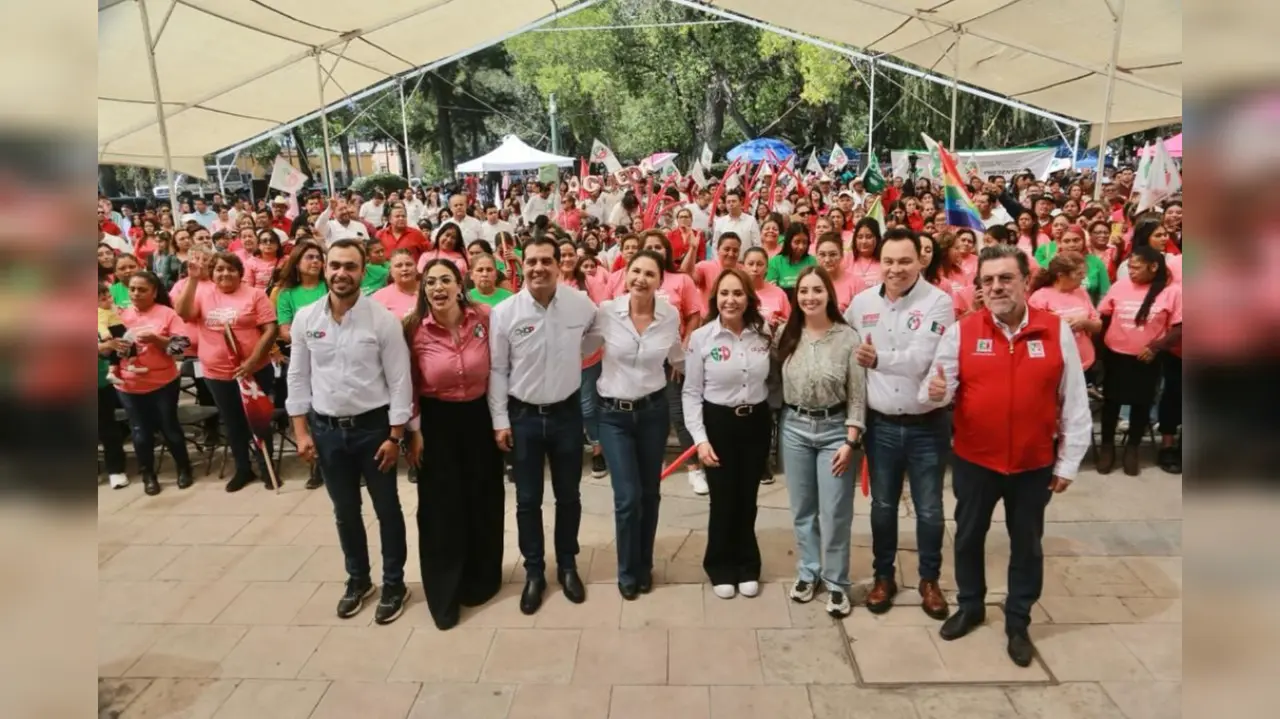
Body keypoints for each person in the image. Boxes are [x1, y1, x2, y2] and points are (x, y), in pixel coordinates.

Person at [922, 243, 1091, 668]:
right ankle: (971, 605)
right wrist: (935, 392)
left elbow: (1074, 403)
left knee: (1027, 545)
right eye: (988, 280)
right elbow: (936, 385)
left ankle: (1018, 620)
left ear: (1025, 282)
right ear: (979, 286)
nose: (996, 287)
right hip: (976, 460)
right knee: (967, 536)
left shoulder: (1056, 331)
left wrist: (1068, 461)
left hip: (1034, 464)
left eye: (1005, 278)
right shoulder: (962, 330)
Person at [286, 239, 413, 624]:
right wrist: (302, 432)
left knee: (387, 509)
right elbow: (297, 376)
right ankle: (359, 580)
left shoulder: (382, 320)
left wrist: (395, 436)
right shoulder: (306, 318)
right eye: (335, 266)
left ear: (364, 271)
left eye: (351, 267)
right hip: (326, 430)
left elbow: (400, 381)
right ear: (325, 269)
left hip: (374, 430)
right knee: (345, 512)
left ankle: (394, 584)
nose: (342, 273)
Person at [843, 227, 954, 620]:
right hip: (882, 425)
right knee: (883, 506)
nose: (896, 269)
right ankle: (883, 576)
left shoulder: (939, 302)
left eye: (905, 261)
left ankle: (929, 579)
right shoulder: (859, 303)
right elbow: (844, 346)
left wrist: (877, 359)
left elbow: (921, 358)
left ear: (921, 261)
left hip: (928, 424)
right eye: (888, 261)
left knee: (929, 509)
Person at [488, 236, 599, 615]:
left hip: (567, 415)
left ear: (559, 265)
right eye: (531, 261)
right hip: (523, 418)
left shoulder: (580, 305)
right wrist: (500, 420)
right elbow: (498, 370)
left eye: (546, 261)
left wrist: (576, 359)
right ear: (523, 265)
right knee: (527, 500)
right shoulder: (504, 312)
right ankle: (534, 571)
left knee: (569, 496)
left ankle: (567, 564)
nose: (538, 268)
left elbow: (597, 335)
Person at [400, 258, 505, 629]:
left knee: (483, 499)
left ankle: (481, 580)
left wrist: (500, 421)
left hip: (480, 417)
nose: (438, 288)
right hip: (435, 422)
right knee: (440, 509)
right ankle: (445, 592)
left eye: (445, 280)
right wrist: (414, 432)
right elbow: (407, 383)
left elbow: (499, 369)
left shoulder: (485, 318)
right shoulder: (413, 328)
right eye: (431, 282)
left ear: (461, 285)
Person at [587, 250, 684, 599]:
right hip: (613, 415)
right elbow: (583, 350)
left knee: (650, 493)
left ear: (660, 280)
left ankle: (645, 565)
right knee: (627, 497)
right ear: (626, 275)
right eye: (636, 272)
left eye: (650, 274)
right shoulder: (606, 313)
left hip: (654, 413)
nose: (641, 279)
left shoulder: (669, 315)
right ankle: (627, 570)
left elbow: (678, 358)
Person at [775, 267, 867, 617]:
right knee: (803, 509)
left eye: (817, 290)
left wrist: (851, 440)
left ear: (829, 293)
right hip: (795, 427)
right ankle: (808, 571)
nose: (810, 297)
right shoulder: (788, 333)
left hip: (834, 432)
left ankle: (837, 580)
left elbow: (858, 395)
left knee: (835, 512)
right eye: (803, 291)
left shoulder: (848, 338)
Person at [683, 268, 775, 599]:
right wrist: (700, 439)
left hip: (755, 422)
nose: (730, 300)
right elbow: (691, 393)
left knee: (747, 498)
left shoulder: (762, 331)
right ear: (715, 298)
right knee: (723, 499)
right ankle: (720, 564)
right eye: (724, 294)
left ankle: (747, 563)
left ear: (749, 298)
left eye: (737, 293)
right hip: (718, 423)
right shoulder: (702, 338)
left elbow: (773, 378)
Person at [175, 252, 279, 492]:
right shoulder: (202, 293)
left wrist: (253, 361)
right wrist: (192, 279)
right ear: (212, 273)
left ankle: (267, 468)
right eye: (219, 269)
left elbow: (270, 329)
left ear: (240, 273)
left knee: (258, 420)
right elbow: (183, 313)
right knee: (232, 424)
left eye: (231, 269)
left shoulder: (255, 294)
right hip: (217, 374)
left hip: (254, 370)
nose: (225, 273)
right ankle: (243, 468)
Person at [1096, 246, 1183, 475]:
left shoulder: (1171, 291)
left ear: (1153, 267)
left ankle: (1132, 448)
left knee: (1141, 403)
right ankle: (1107, 447)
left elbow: (1180, 327)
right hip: (1116, 354)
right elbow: (1103, 314)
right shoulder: (1120, 285)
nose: (1131, 271)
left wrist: (1156, 346)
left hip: (1147, 357)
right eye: (1130, 267)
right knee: (1111, 403)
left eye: (1136, 267)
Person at [115, 271, 194, 496]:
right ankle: (148, 475)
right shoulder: (120, 315)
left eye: (142, 289)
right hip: (128, 384)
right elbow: (106, 348)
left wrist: (157, 340)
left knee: (170, 427)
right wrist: (114, 347)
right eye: (132, 289)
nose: (136, 294)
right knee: (140, 433)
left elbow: (181, 348)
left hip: (162, 382)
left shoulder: (167, 314)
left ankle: (183, 468)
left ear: (154, 292)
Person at [1028, 253, 1102, 377]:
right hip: (1056, 365)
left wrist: (1084, 323)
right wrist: (1058, 323)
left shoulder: (1081, 293)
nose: (1084, 277)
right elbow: (1032, 334)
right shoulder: (1039, 297)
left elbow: (1097, 325)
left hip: (1084, 363)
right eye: (1079, 274)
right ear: (1061, 276)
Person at [813, 234, 864, 313]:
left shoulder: (856, 284)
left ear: (841, 255)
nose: (827, 260)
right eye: (822, 255)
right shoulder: (810, 283)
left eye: (833, 254)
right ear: (816, 256)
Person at [766, 224, 819, 293]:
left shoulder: (812, 261)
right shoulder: (775, 262)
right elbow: (772, 291)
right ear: (788, 242)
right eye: (797, 242)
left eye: (805, 242)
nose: (801, 247)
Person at [372, 249, 420, 318]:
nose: (404, 269)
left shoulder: (428, 291)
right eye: (399, 266)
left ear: (416, 268)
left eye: (409, 264)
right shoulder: (379, 297)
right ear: (391, 271)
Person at [712, 189, 761, 255]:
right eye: (728, 202)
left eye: (734, 201)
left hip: (745, 262)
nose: (731, 204)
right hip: (725, 263)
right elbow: (715, 246)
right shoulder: (719, 222)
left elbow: (757, 244)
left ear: (740, 202)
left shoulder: (751, 220)